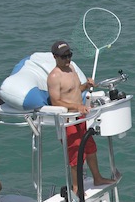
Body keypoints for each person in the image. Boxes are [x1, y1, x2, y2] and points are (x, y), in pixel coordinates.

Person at [46, 40, 116, 192]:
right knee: (76, 153)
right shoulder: (54, 77)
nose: (68, 59)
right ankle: (76, 188)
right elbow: (56, 101)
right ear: (55, 57)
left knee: (90, 147)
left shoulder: (71, 68)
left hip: (81, 116)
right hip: (68, 119)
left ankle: (97, 178)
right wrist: (76, 106)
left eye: (69, 55)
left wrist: (86, 85)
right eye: (64, 57)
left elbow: (76, 89)